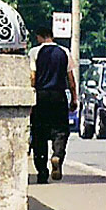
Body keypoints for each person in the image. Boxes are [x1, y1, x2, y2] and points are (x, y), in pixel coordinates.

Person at [29, 27, 77, 183]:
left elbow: (32, 77)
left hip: (41, 97)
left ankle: (42, 172)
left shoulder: (35, 52)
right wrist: (74, 99)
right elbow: (71, 79)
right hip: (58, 96)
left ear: (40, 36)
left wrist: (31, 98)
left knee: (39, 134)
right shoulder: (64, 51)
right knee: (60, 131)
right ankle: (57, 156)